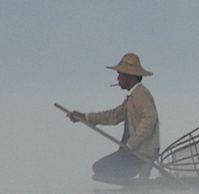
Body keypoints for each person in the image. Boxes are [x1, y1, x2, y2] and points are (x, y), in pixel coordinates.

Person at [67, 54, 161, 182]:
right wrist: (85, 117)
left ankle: (140, 181)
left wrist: (131, 145)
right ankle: (139, 185)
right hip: (132, 151)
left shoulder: (140, 94)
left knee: (101, 168)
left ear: (129, 76)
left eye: (119, 74)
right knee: (100, 169)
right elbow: (114, 116)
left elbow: (149, 120)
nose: (117, 78)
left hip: (141, 153)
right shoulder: (132, 96)